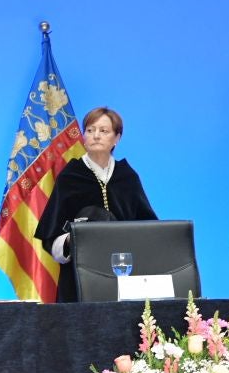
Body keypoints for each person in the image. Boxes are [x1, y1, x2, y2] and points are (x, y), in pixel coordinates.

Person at [35, 106, 158, 302]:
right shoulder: (70, 176)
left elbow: (147, 229)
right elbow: (51, 235)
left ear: (117, 138)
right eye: (90, 130)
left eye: (104, 131)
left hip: (123, 277)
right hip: (78, 280)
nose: (96, 136)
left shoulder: (127, 177)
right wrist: (74, 237)